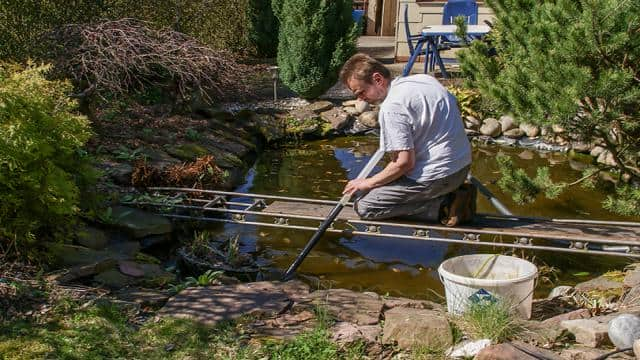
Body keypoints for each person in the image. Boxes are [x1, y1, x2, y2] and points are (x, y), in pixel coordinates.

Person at [339, 53, 476, 226]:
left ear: (378, 79)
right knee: (378, 185)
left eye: (361, 92)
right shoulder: (423, 80)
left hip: (437, 177)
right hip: (462, 167)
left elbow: (404, 164)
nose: (360, 98)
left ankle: (445, 205)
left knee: (365, 206)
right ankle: (454, 192)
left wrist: (367, 182)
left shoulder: (392, 107)